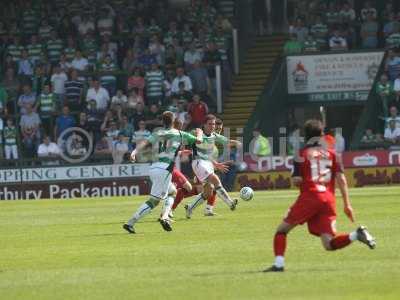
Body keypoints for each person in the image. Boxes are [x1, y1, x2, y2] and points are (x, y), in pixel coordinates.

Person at [263, 119, 376, 272]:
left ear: (305, 136)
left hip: (310, 196)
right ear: (322, 135)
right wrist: (347, 204)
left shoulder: (301, 154)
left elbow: (297, 180)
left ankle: (279, 264)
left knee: (281, 230)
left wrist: (298, 178)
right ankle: (357, 234)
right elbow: (341, 179)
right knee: (328, 244)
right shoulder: (333, 154)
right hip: (328, 199)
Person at [123, 111, 203, 234]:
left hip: (154, 167)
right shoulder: (180, 134)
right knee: (153, 201)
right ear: (173, 121)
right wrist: (200, 133)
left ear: (162, 121)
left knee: (173, 191)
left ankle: (165, 217)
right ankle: (130, 223)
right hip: (165, 170)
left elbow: (144, 143)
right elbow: (199, 141)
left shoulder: (158, 133)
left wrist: (134, 152)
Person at [184, 114, 241, 218]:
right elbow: (186, 137)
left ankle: (190, 208)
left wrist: (237, 142)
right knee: (216, 179)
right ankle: (230, 203)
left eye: (213, 124)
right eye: (209, 124)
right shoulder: (198, 132)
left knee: (209, 191)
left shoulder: (214, 135)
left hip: (208, 164)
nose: (212, 126)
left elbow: (227, 142)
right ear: (204, 125)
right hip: (198, 162)